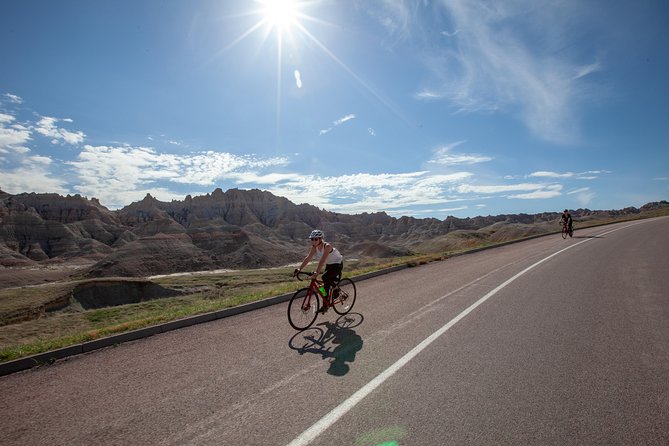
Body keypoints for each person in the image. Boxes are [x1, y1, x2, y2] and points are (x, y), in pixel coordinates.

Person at [293, 229, 344, 312]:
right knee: (323, 287)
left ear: (321, 239)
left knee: (325, 277)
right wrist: (299, 269)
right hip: (330, 264)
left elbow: (322, 260)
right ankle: (325, 305)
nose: (313, 241)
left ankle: (336, 289)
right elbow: (308, 258)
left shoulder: (327, 246)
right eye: (312, 239)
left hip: (337, 264)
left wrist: (316, 272)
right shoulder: (314, 247)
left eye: (316, 239)